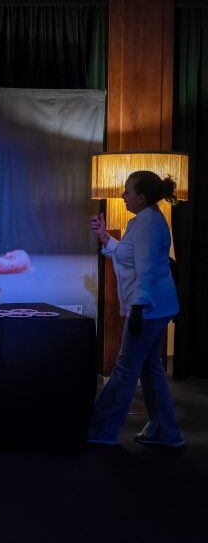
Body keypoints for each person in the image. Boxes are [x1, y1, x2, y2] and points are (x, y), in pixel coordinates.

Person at [87, 170, 185, 448]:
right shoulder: (146, 220)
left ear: (141, 197)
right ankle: (165, 432)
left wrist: (139, 307)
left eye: (127, 191)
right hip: (157, 306)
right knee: (150, 368)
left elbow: (146, 269)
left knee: (125, 368)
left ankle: (101, 430)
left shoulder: (146, 224)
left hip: (149, 307)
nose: (123, 195)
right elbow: (130, 255)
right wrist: (104, 237)